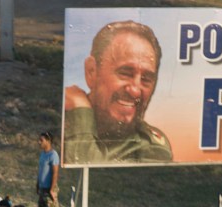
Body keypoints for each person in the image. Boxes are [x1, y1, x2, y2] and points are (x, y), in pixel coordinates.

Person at [63, 20, 172, 164]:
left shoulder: (151, 147)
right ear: (91, 71)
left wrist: (81, 115)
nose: (135, 91)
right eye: (125, 73)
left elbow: (87, 168)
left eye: (146, 79)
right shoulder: (61, 117)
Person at [36, 132, 59, 207]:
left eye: (41, 140)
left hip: (49, 189)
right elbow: (41, 170)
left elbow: (55, 173)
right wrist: (38, 184)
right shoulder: (43, 154)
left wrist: (52, 190)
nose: (39, 142)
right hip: (42, 188)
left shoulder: (53, 155)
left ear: (48, 141)